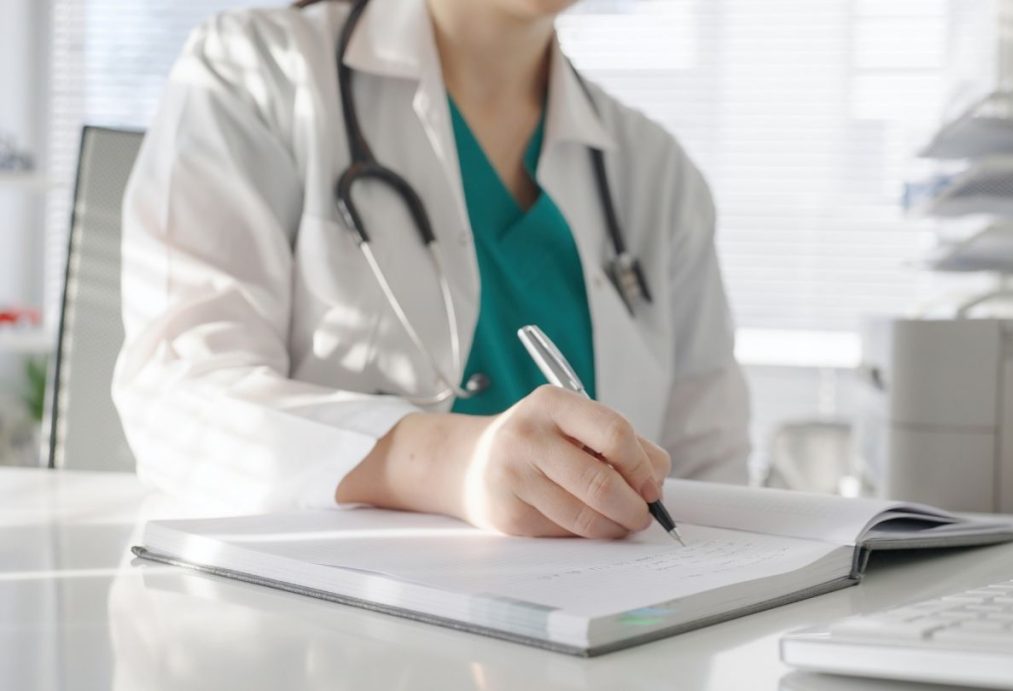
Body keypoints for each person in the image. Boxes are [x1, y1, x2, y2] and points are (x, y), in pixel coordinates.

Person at [113, 0, 751, 539]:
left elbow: (710, 471)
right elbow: (178, 400)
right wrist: (456, 465)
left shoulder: (655, 172)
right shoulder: (254, 73)